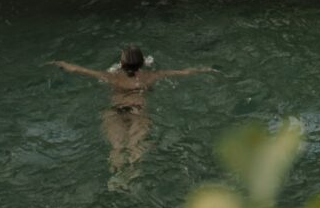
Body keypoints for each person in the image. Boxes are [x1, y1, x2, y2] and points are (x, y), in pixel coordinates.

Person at [50, 47, 213, 187]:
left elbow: (80, 70)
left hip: (115, 111)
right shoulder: (151, 76)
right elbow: (182, 72)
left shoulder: (111, 77)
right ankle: (133, 175)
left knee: (117, 147)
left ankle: (116, 175)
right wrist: (206, 69)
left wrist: (62, 64)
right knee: (135, 147)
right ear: (142, 63)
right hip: (137, 112)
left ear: (121, 64)